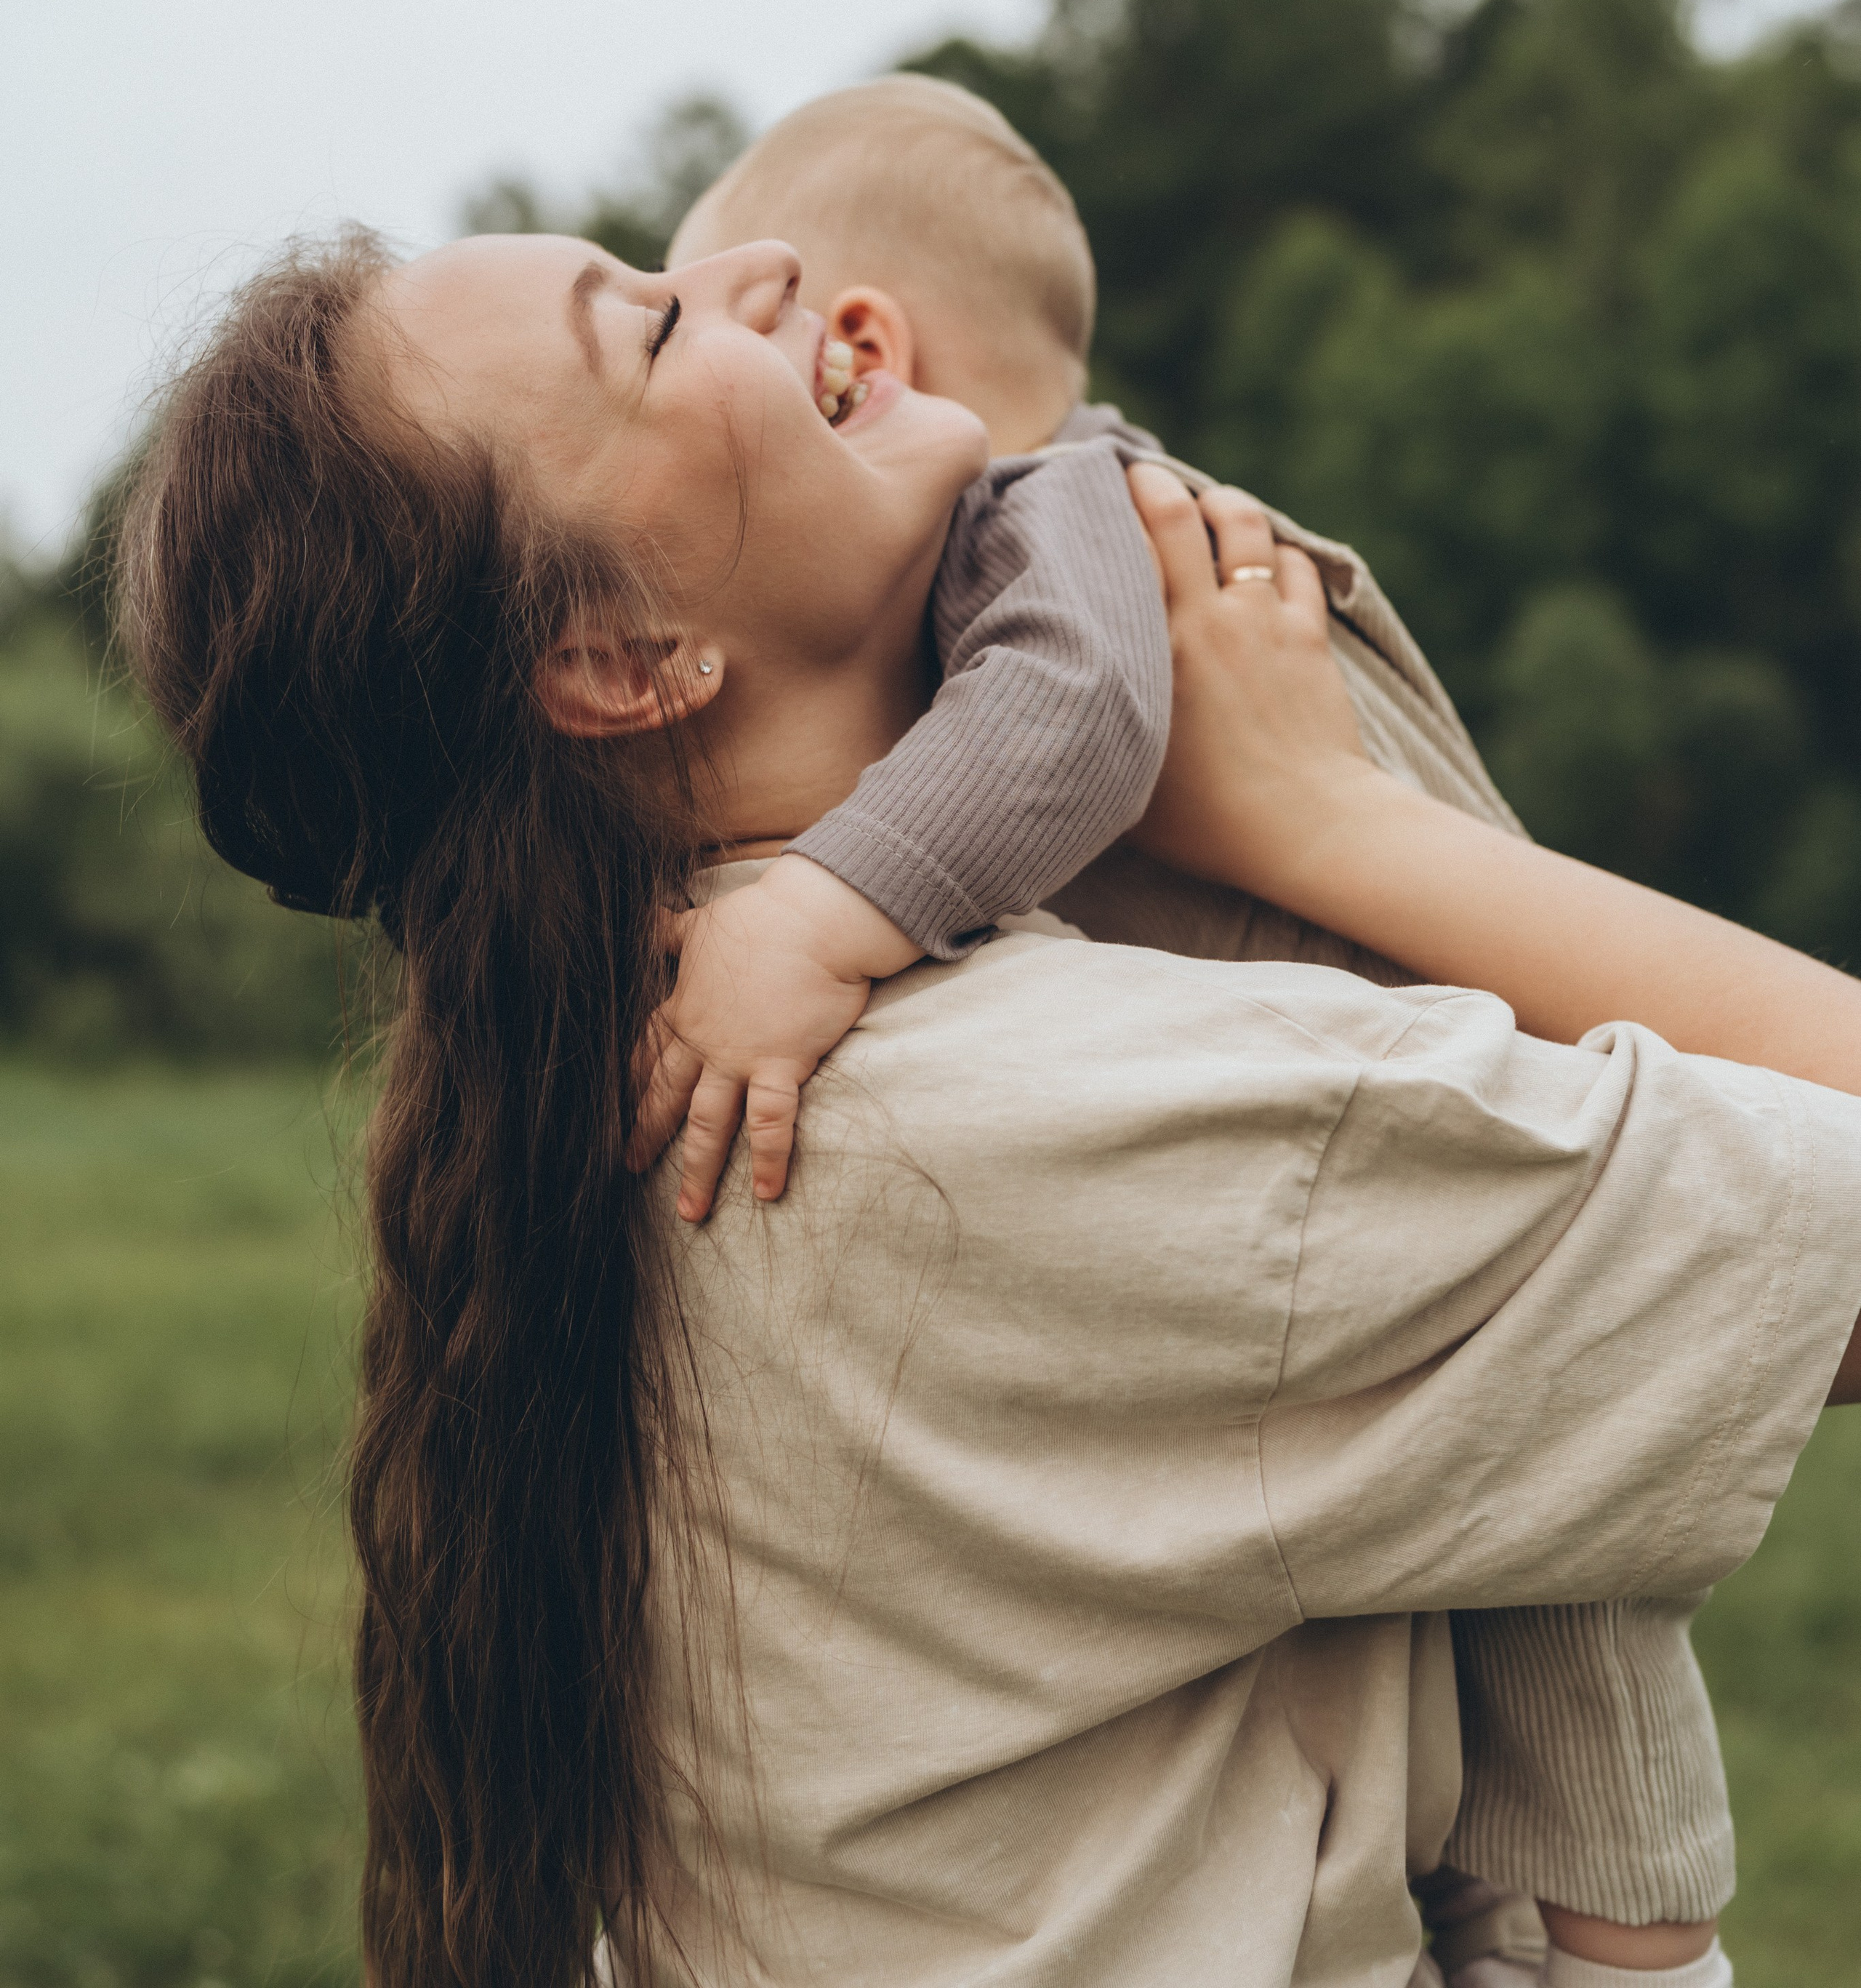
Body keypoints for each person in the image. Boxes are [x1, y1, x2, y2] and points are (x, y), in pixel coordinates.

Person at [113, 221, 1861, 1988]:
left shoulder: (597, 1090)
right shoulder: (1053, 1120)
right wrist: (1329, 823)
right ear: (624, 658)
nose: (768, 264)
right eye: (648, 325)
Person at [659, 77, 1732, 1981]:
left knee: (1571, 1583)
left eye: (716, 328)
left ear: (861, 346)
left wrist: (827, 911)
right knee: (1491, 1573)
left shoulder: (1062, 516)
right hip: (1392, 1073)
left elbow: (1070, 719)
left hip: (1447, 1059)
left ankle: (1636, 1948)